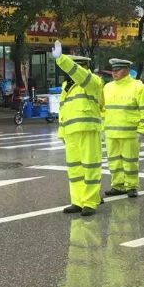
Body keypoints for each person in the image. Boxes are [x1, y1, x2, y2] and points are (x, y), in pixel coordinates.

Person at [52, 41, 104, 217]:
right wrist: (62, 134)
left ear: (82, 67)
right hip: (71, 134)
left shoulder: (92, 82)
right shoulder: (66, 88)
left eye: (73, 68)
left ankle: (90, 202)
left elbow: (80, 75)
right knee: (74, 170)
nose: (69, 73)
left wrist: (63, 60)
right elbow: (63, 112)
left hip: (88, 130)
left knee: (90, 167)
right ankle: (77, 201)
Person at [103, 59, 144, 198]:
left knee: (130, 161)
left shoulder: (138, 87)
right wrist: (103, 128)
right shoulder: (107, 87)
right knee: (113, 161)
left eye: (117, 70)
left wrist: (142, 131)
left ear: (126, 70)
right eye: (113, 70)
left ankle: (131, 186)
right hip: (111, 133)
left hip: (129, 133)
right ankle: (118, 185)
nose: (114, 73)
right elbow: (102, 109)